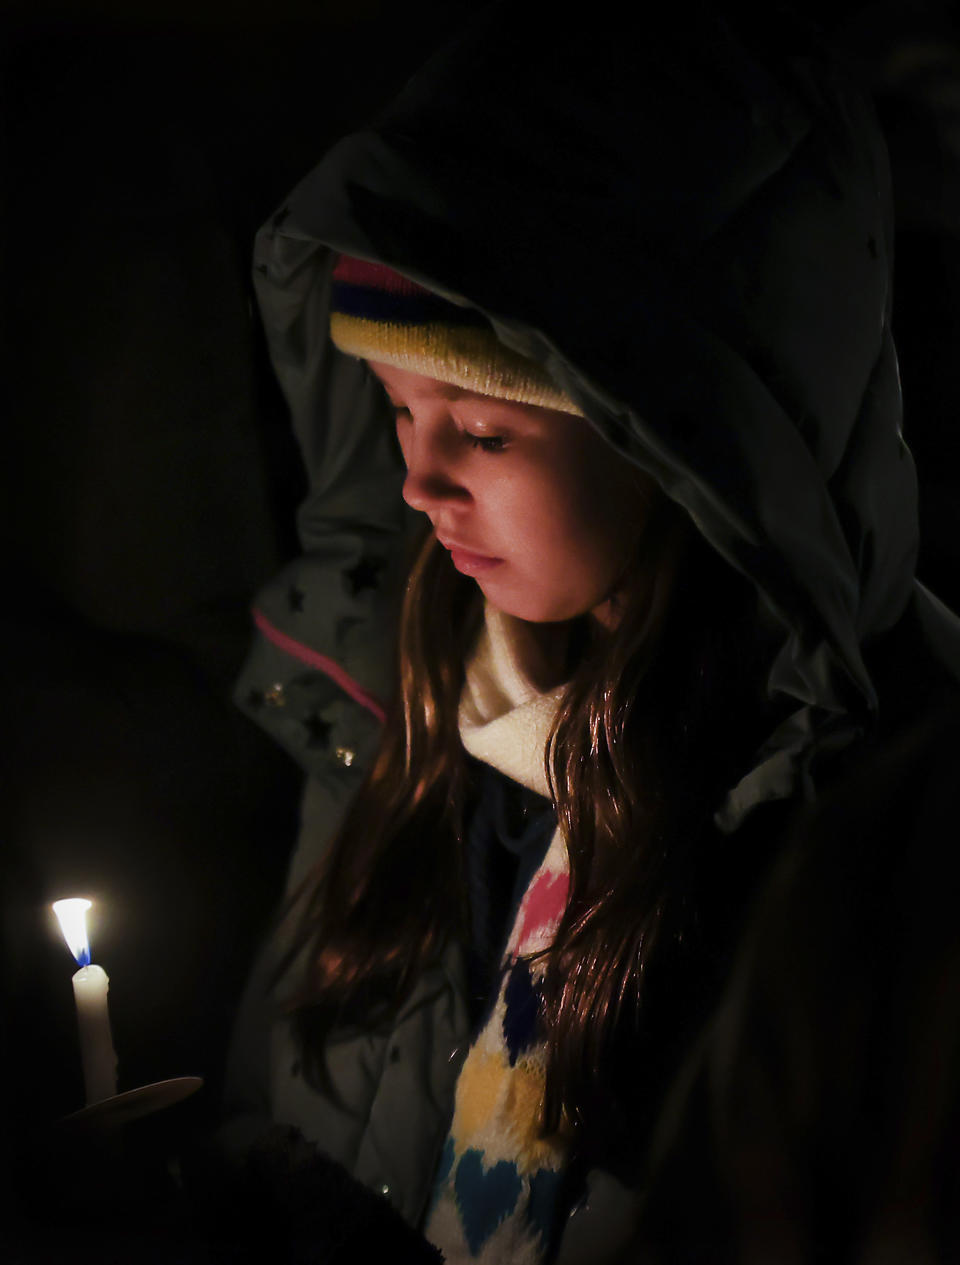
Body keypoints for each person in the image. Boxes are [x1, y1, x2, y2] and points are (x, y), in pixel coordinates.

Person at [219, 3, 960, 1262]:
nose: (417, 481)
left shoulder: (858, 827)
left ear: (683, 450)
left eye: (487, 430)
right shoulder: (386, 704)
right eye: (396, 410)